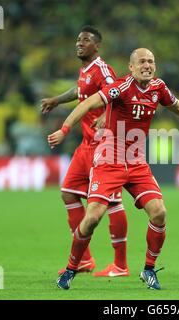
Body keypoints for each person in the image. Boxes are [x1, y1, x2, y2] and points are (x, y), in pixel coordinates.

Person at [48, 48, 179, 290]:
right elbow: (88, 103)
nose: (147, 65)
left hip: (137, 161)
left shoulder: (158, 87)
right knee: (93, 218)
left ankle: (149, 270)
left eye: (151, 61)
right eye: (142, 62)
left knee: (159, 212)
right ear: (131, 67)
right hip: (110, 159)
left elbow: (178, 106)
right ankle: (70, 269)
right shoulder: (121, 87)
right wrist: (64, 129)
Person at [41, 25, 130, 278]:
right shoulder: (86, 71)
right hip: (85, 145)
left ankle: (120, 265)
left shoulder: (102, 69)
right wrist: (56, 100)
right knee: (68, 194)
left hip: (105, 144)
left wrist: (105, 115)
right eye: (78, 39)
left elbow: (117, 94)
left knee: (112, 202)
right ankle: (84, 260)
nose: (79, 43)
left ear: (97, 46)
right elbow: (80, 91)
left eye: (86, 40)